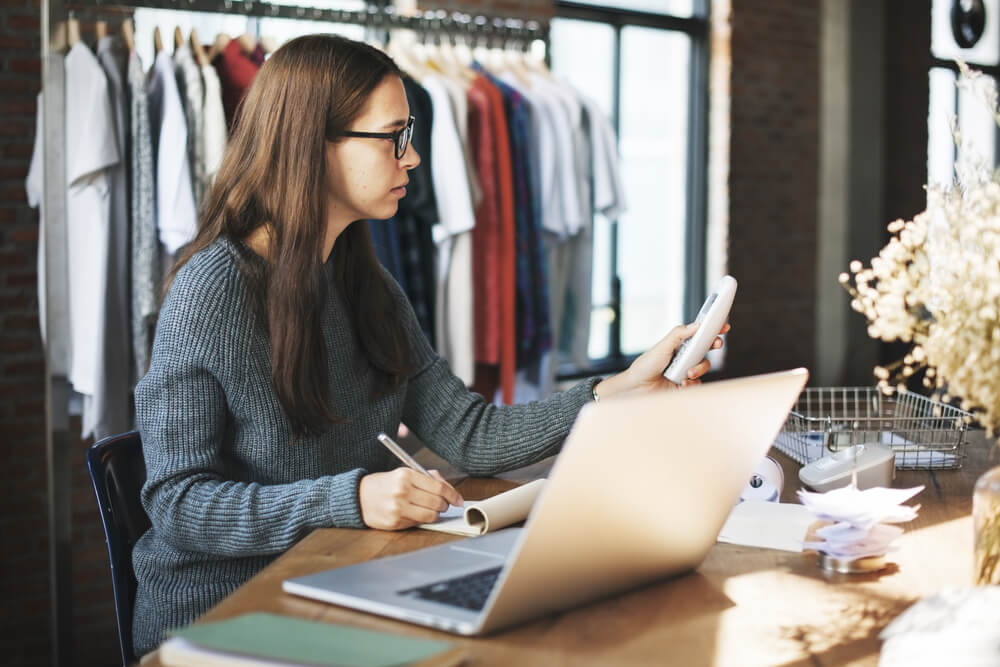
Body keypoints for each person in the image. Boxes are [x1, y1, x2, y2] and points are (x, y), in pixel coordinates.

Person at [130, 33, 728, 656]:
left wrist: (618, 388)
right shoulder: (213, 290)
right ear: (314, 145)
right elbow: (178, 505)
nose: (412, 158)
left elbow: (469, 433)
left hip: (336, 587)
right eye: (393, 137)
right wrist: (351, 497)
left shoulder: (361, 279)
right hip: (218, 622)